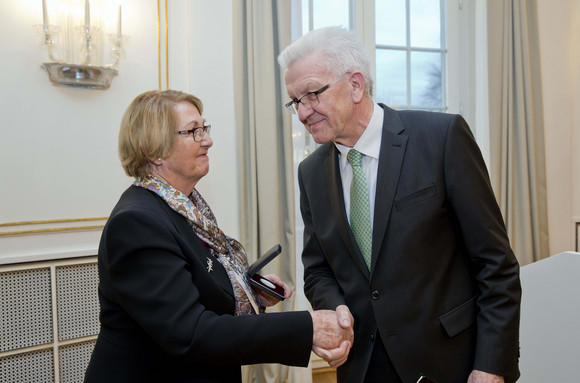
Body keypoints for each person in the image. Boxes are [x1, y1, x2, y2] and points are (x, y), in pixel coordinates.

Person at [278, 26, 521, 383]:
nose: (302, 113)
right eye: (295, 101)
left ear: (356, 85)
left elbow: (495, 265)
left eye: (312, 95)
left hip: (452, 364)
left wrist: (490, 366)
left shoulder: (441, 139)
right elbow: (317, 270)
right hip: (363, 368)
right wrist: (337, 309)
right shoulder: (310, 173)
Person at [84, 89, 353, 383]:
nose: (208, 140)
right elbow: (192, 333)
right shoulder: (137, 223)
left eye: (204, 128)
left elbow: (198, 287)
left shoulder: (186, 208)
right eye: (193, 132)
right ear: (154, 150)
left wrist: (251, 293)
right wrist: (307, 327)